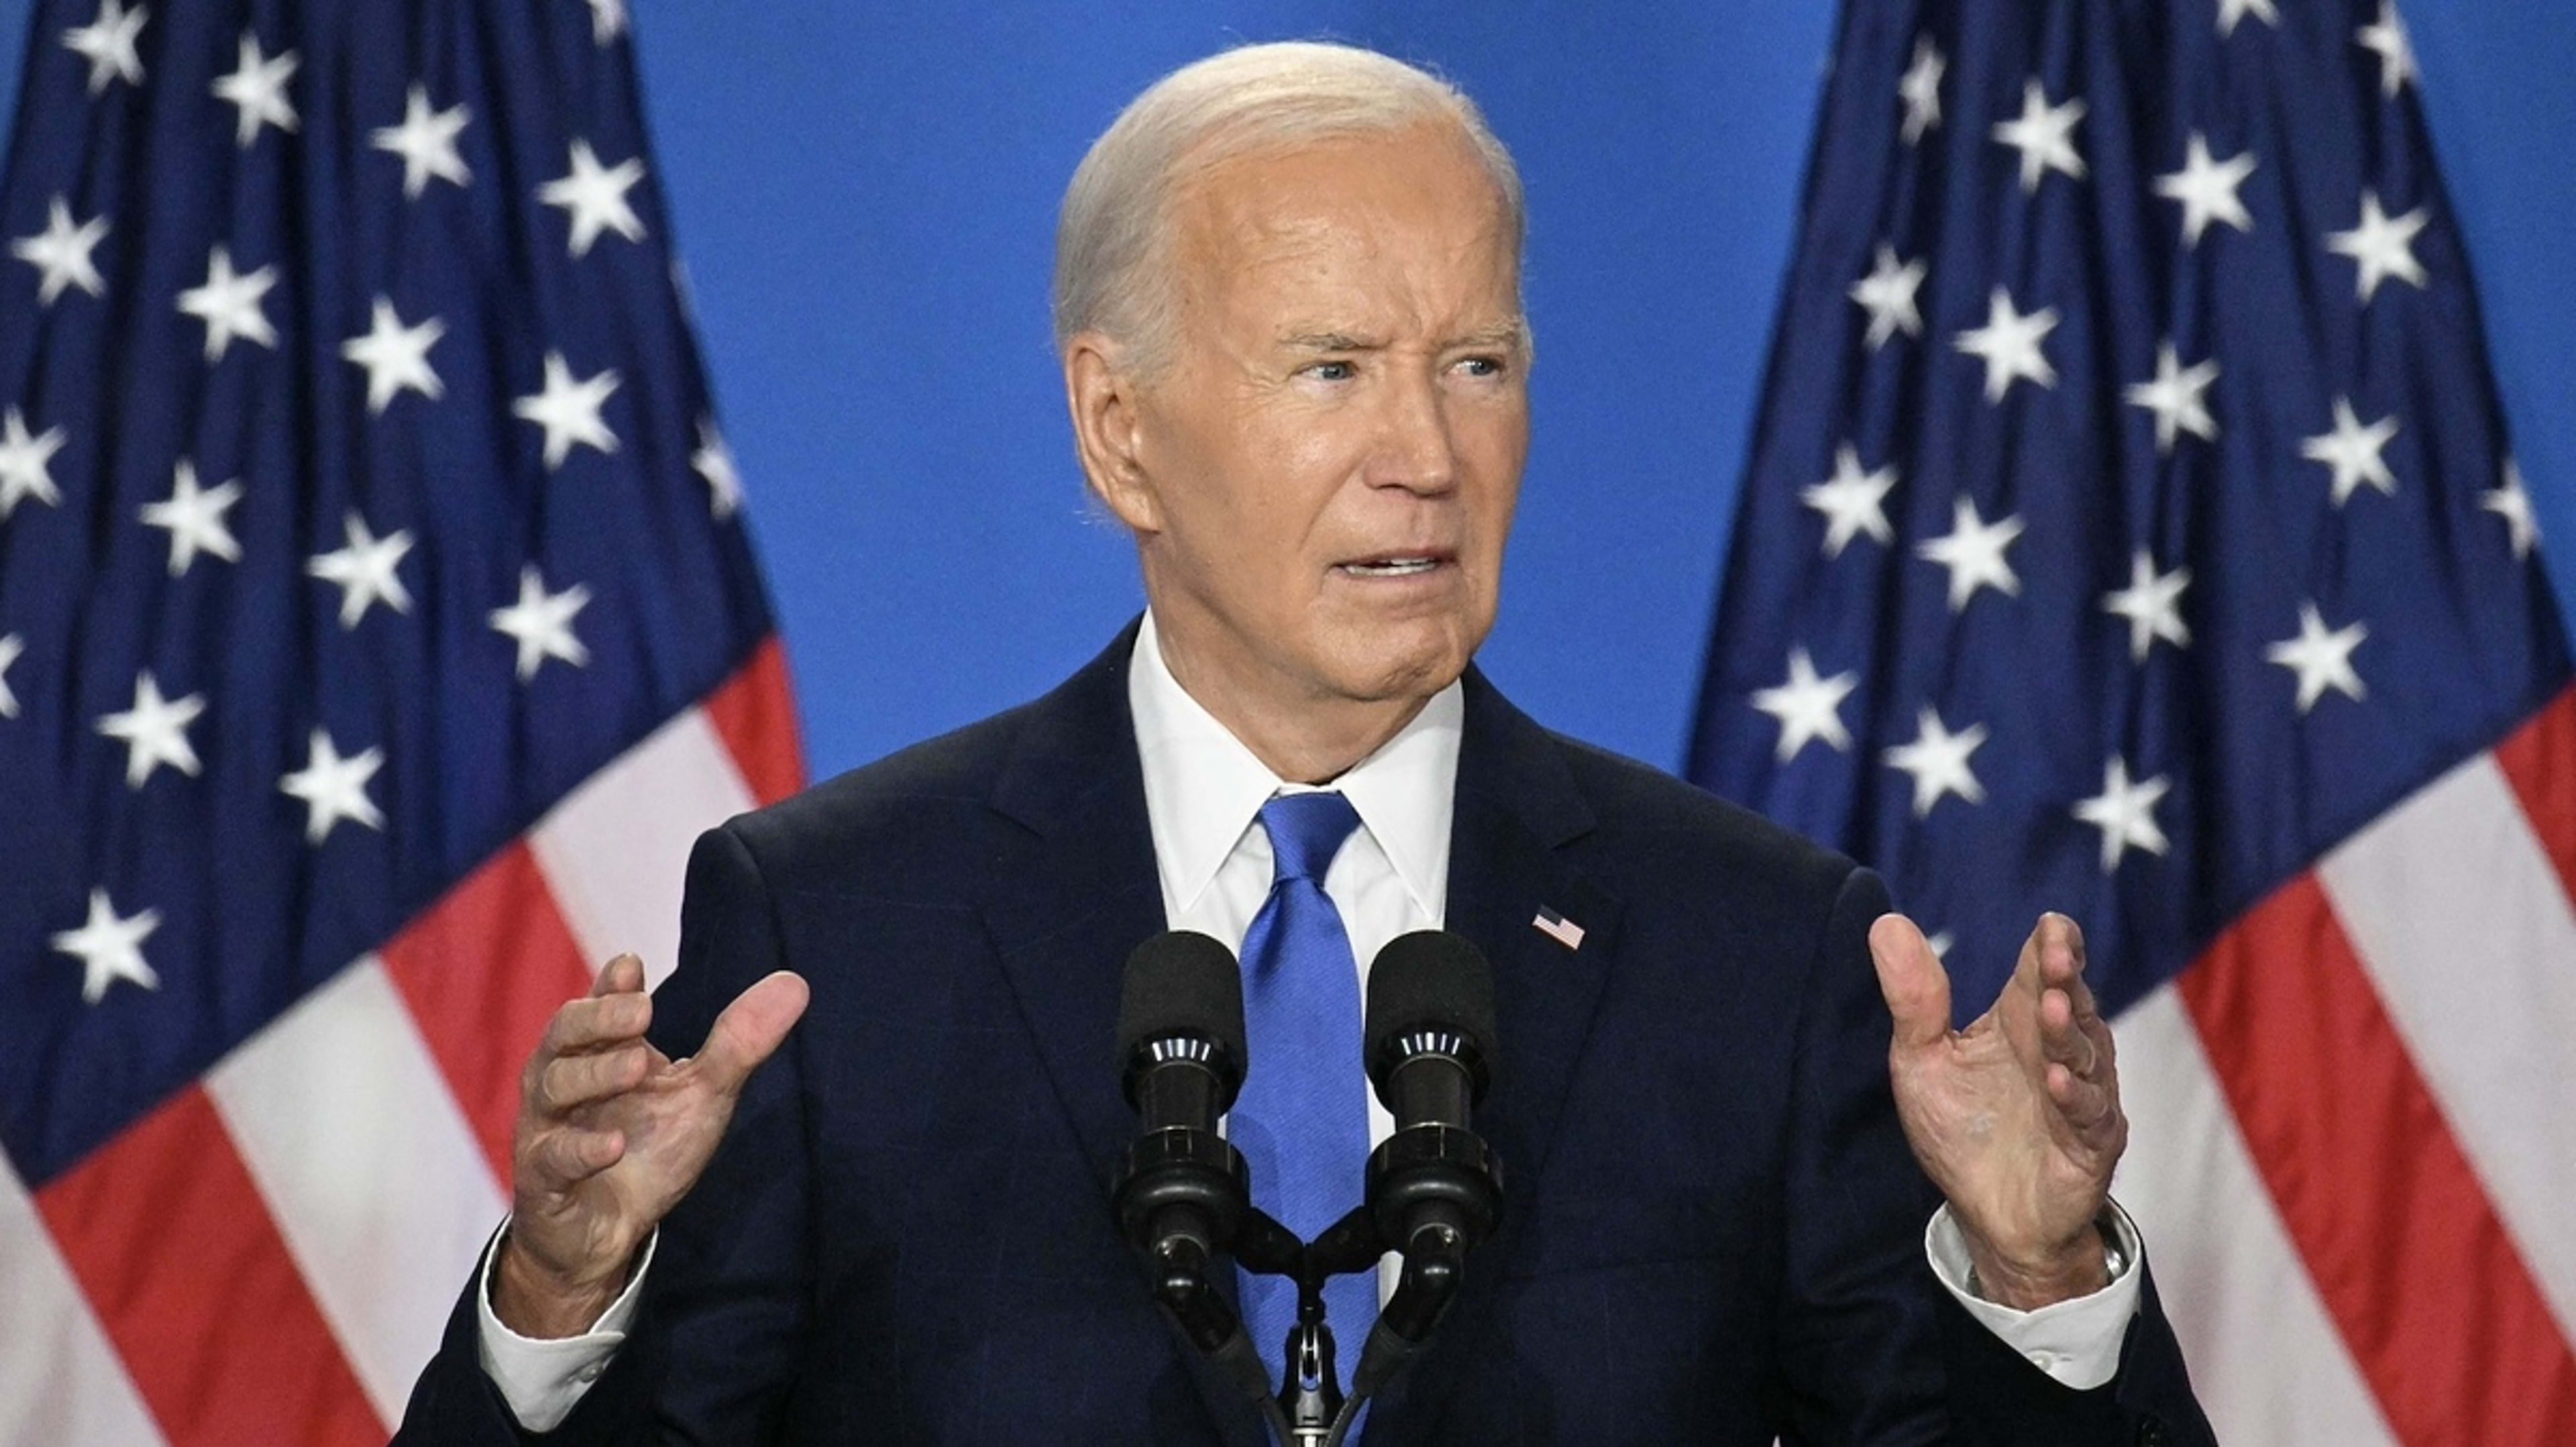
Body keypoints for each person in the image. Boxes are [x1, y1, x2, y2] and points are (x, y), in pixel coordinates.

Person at [396, 41, 2212, 1444]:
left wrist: (2037, 1272)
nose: (1425, 451)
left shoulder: (1758, 952)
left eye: (1478, 364)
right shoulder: (836, 935)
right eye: (1333, 366)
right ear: (1119, 431)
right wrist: (566, 1299)